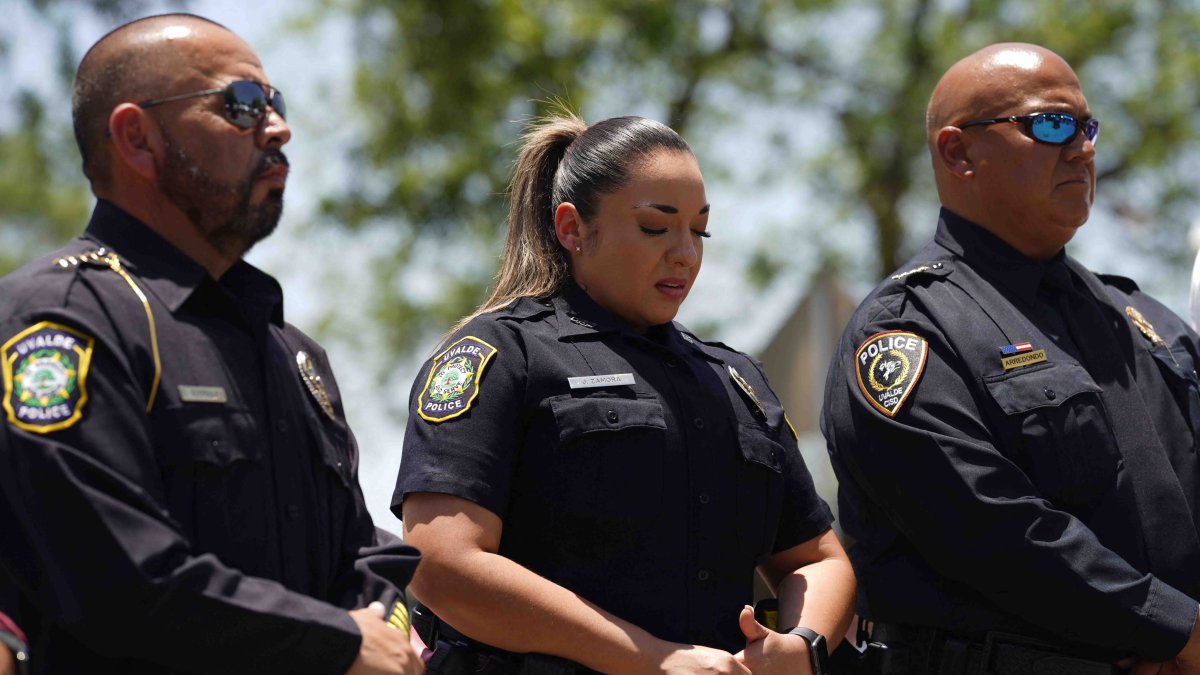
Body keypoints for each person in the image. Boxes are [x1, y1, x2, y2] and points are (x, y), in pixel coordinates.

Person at [0, 14, 423, 675]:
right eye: (242, 105)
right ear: (138, 139)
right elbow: (116, 577)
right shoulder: (59, 320)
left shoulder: (294, 352)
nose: (278, 128)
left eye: (276, 104)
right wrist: (339, 640)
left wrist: (382, 627)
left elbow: (366, 557)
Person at [393, 113, 856, 674]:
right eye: (656, 228)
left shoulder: (737, 381)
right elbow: (440, 563)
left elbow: (819, 557)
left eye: (699, 229)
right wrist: (652, 661)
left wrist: (802, 646)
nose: (685, 254)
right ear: (572, 228)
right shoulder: (500, 353)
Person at [821, 42, 1200, 674]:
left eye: (1087, 126)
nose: (1081, 147)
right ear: (958, 151)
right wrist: (1177, 630)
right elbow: (993, 531)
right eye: (1050, 124)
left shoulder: (1147, 320)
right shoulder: (908, 329)